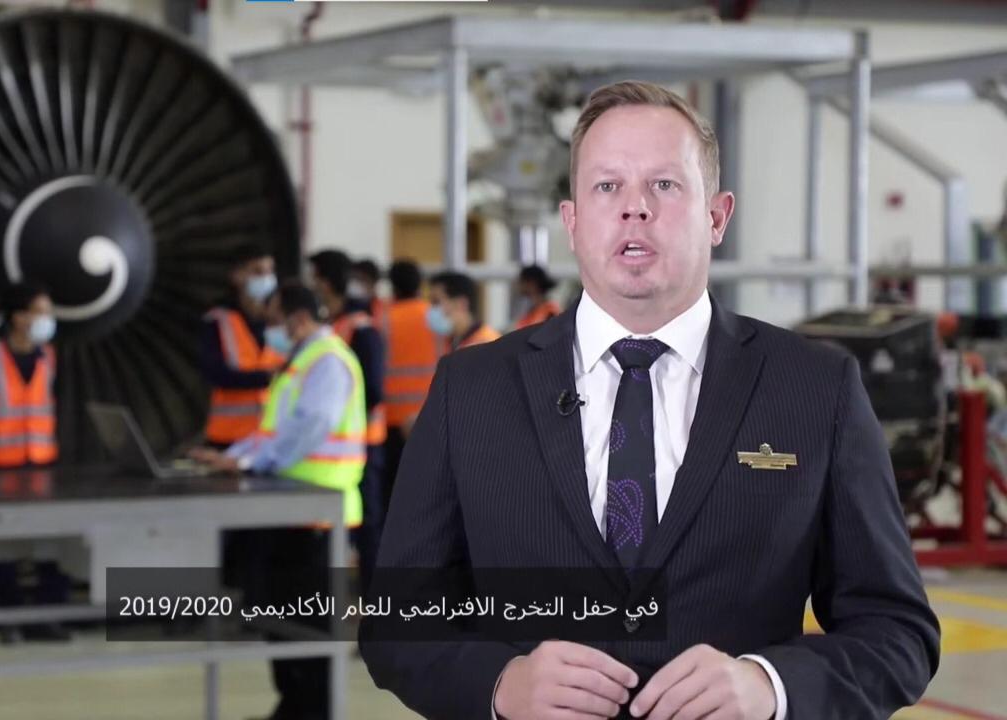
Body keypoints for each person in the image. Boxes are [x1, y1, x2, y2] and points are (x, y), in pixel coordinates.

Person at [361, 81, 939, 720]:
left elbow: (898, 632)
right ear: (572, 221)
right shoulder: (470, 390)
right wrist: (500, 685)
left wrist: (770, 686)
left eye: (664, 184)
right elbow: (394, 623)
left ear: (716, 217)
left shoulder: (815, 388)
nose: (635, 209)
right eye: (607, 186)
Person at [191, 282, 367, 720]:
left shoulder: (327, 362)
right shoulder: (298, 362)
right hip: (287, 508)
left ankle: (315, 712)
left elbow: (310, 427)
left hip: (317, 516)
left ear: (298, 319)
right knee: (279, 619)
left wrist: (253, 462)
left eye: (273, 319)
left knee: (309, 626)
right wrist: (232, 457)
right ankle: (292, 708)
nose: (268, 329)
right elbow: (273, 431)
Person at [0, 283, 71, 645]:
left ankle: (47, 616)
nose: (47, 320)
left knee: (50, 545)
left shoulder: (48, 358)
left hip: (39, 464)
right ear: (18, 318)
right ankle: (8, 617)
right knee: (2, 548)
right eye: (40, 312)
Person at [309, 249, 387, 594]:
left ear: (325, 282)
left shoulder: (360, 327)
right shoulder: (333, 324)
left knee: (368, 525)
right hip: (336, 448)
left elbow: (373, 389)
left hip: (363, 443)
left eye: (314, 277)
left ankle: (375, 600)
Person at [201, 244, 284, 450]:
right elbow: (215, 373)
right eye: (257, 272)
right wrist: (266, 378)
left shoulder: (280, 320)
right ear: (237, 276)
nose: (266, 279)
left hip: (271, 437)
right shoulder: (218, 320)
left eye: (269, 271)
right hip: (229, 438)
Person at [379, 259, 440, 526]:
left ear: (392, 286)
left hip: (392, 419)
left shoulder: (383, 319)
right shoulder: (434, 316)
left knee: (394, 495)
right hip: (430, 413)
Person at [428, 270, 501, 354]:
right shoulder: (451, 341)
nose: (431, 308)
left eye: (436, 302)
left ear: (461, 303)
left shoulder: (487, 344)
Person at [514, 264, 562, 329]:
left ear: (532, 284)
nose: (519, 285)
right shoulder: (532, 310)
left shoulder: (550, 312)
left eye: (522, 281)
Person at [349, 258, 386, 327]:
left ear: (373, 282)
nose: (357, 285)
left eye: (361, 280)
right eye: (355, 279)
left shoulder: (384, 309)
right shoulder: (349, 309)